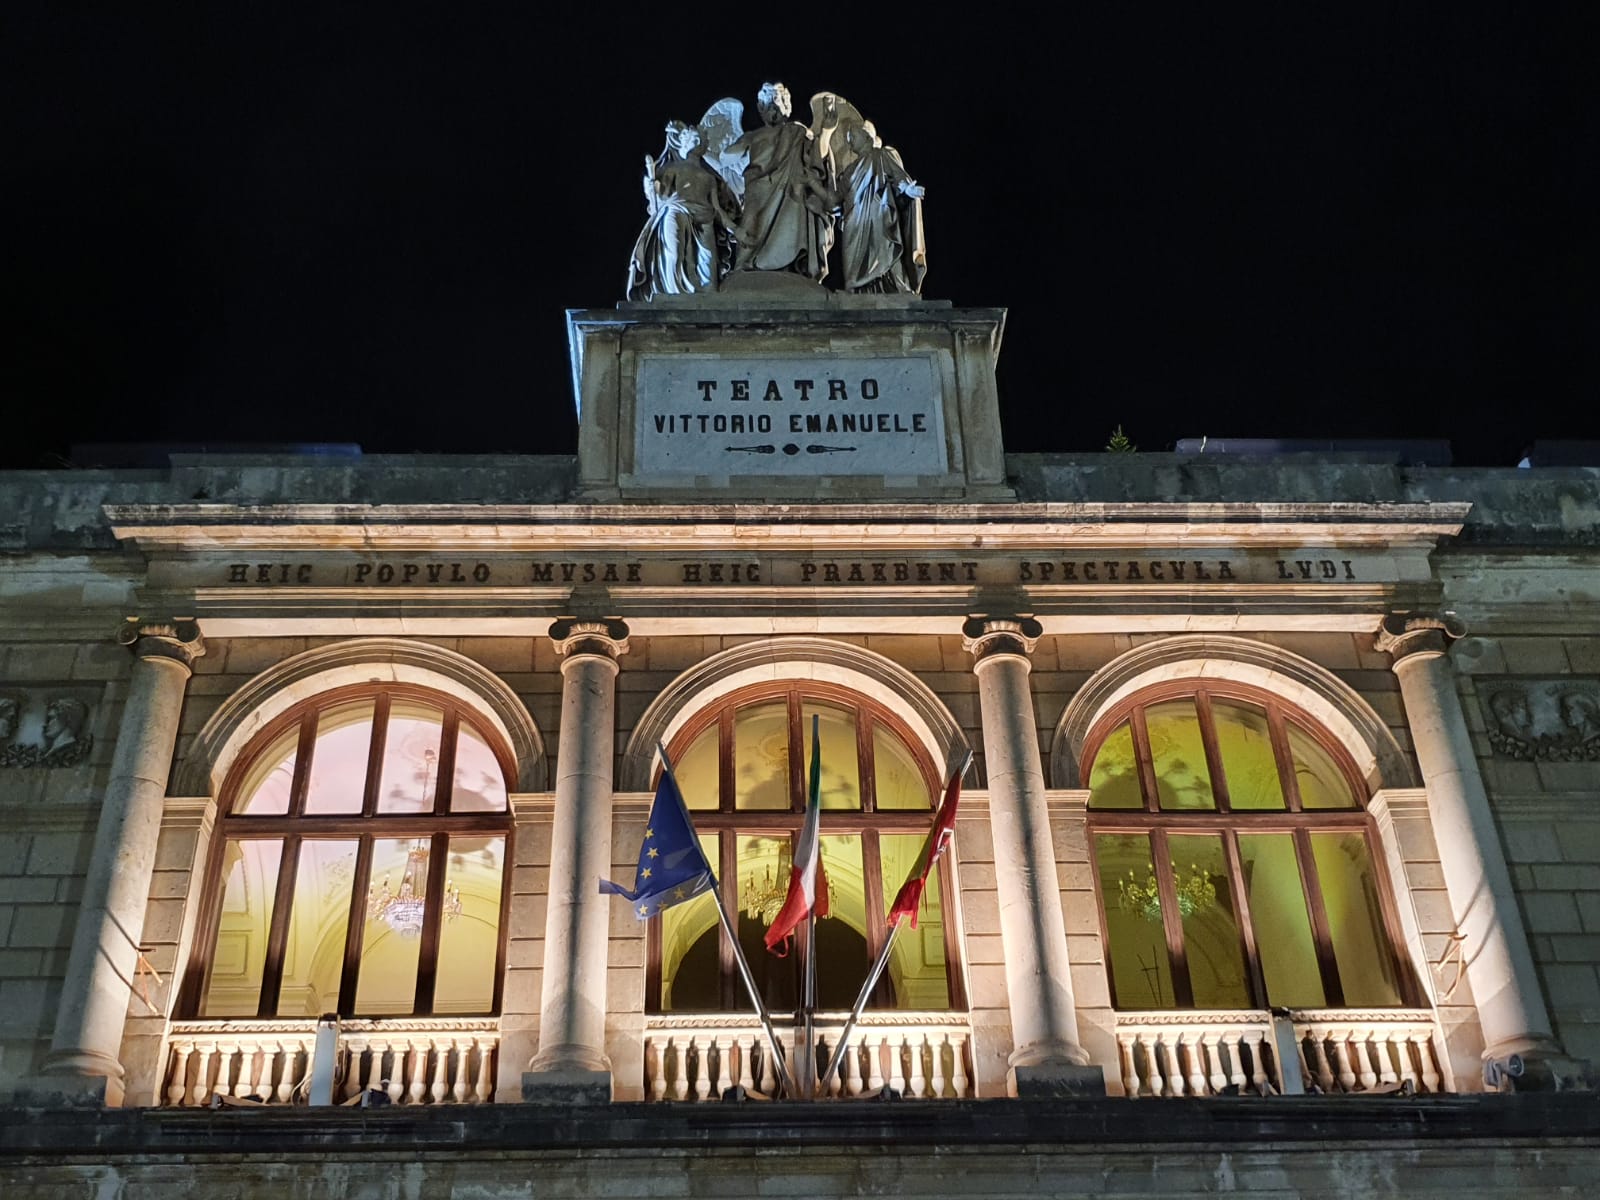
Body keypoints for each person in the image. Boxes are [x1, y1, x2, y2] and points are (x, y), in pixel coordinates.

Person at [728, 83, 835, 280]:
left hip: (790, 190)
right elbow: (727, 156)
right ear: (761, 109)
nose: (774, 110)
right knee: (750, 222)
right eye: (769, 106)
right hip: (758, 188)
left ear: (788, 107)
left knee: (793, 219)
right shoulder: (753, 136)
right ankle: (743, 268)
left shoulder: (798, 132)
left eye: (779, 104)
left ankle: (791, 268)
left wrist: (826, 132)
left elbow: (816, 158)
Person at [627, 122, 739, 301]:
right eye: (692, 138)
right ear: (682, 143)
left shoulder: (709, 177)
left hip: (705, 217)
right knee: (674, 251)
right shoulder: (672, 169)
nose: (696, 141)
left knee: (708, 260)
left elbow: (718, 209)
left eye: (699, 139)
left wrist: (735, 229)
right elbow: (659, 199)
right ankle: (673, 293)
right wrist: (651, 186)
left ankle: (708, 296)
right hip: (676, 210)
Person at [837, 122, 926, 294]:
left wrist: (907, 188)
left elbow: (897, 175)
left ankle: (896, 288)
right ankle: (857, 291)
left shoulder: (881, 155)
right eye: (848, 139)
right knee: (853, 267)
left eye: (853, 136)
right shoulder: (849, 170)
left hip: (878, 214)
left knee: (885, 252)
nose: (850, 142)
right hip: (854, 223)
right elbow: (835, 199)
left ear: (866, 137)